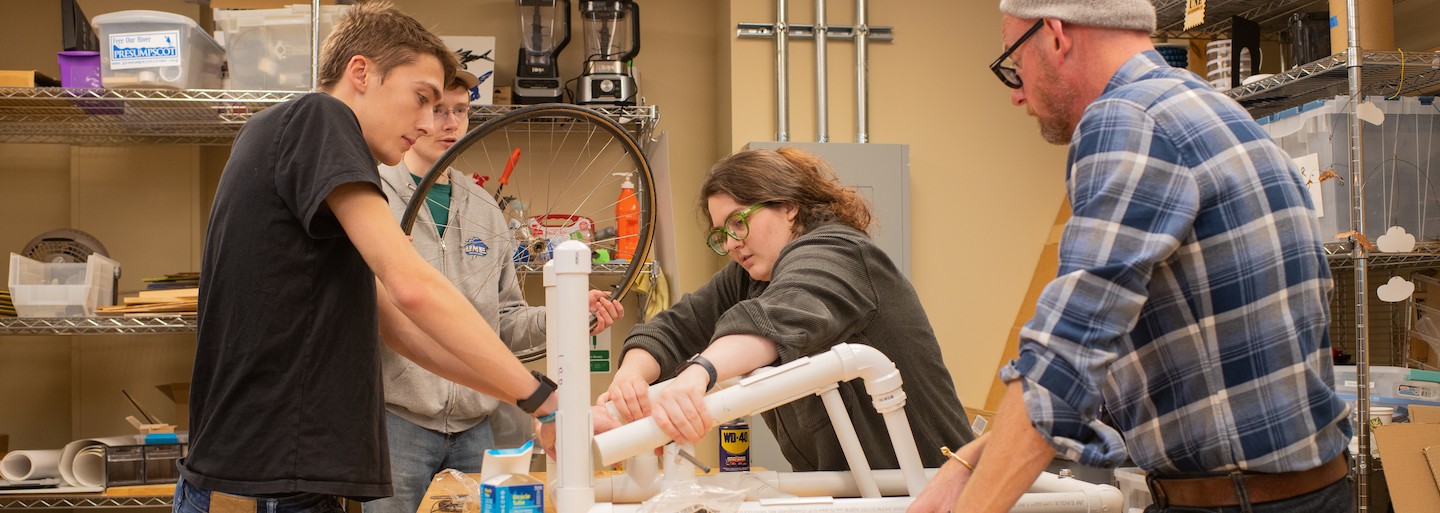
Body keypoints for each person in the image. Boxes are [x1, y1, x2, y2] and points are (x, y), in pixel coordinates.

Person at [907, 1, 1352, 512]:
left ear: (1054, 35)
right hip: (1294, 492)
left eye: (1014, 63)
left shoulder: (1128, 119)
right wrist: (969, 464)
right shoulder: (1206, 108)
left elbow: (1063, 359)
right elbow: (1106, 365)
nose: (1017, 93)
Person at [179, 3, 566, 512]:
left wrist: (532, 400)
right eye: (422, 99)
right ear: (360, 72)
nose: (429, 123)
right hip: (263, 484)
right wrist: (544, 399)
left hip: (282, 480)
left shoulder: (299, 149)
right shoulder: (320, 118)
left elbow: (403, 331)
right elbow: (413, 286)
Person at [599, 147, 975, 471]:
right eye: (720, 234)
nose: (730, 243)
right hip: (857, 493)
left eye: (738, 222)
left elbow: (778, 315)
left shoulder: (840, 252)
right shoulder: (748, 278)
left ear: (789, 207)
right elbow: (674, 327)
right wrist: (629, 379)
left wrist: (699, 373)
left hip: (940, 490)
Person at [365, 66, 624, 513]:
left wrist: (566, 313)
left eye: (461, 111)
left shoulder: (485, 207)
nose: (449, 124)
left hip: (476, 430)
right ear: (416, 113)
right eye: (438, 109)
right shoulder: (373, 198)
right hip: (396, 425)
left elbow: (503, 323)